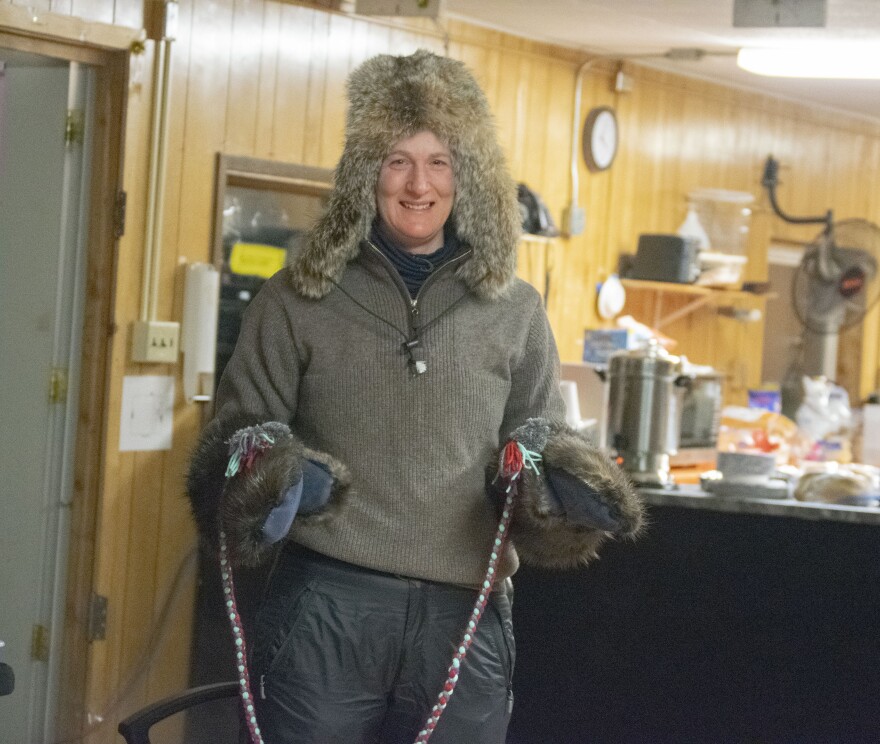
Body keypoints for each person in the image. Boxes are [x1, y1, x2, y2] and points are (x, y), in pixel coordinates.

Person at [187, 49, 644, 744]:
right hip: (325, 608)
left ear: (469, 176)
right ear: (365, 174)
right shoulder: (295, 298)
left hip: (466, 614)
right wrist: (270, 473)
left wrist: (560, 484)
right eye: (398, 160)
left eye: (440, 161)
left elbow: (541, 434)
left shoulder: (515, 308)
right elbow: (234, 436)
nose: (419, 184)